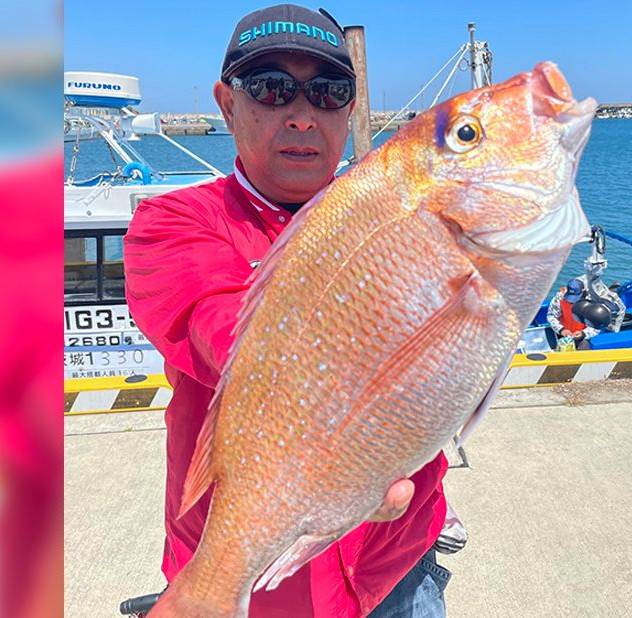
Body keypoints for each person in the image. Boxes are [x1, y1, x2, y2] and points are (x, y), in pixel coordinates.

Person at [123, 5, 451, 616]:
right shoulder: (170, 224)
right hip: (252, 588)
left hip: (397, 568)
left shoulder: (408, 217)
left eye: (328, 93)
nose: (303, 115)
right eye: (273, 90)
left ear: (349, 109)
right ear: (226, 103)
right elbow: (225, 334)